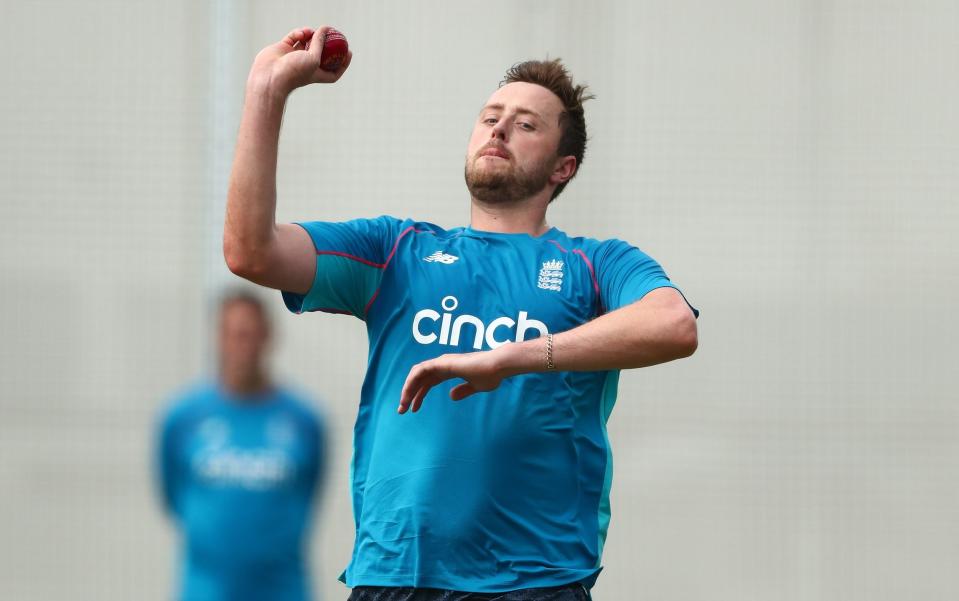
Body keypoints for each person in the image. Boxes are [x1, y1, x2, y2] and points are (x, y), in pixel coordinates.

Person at [224, 26, 698, 601]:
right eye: (490, 116)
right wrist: (266, 92)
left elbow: (674, 325)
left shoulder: (596, 264)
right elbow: (250, 252)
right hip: (393, 576)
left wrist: (514, 358)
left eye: (526, 124)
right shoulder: (396, 250)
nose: (499, 127)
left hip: (534, 582)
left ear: (562, 168)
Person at [156, 290, 326, 601]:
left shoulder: (303, 420)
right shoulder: (183, 417)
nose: (241, 346)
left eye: (249, 334)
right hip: (205, 590)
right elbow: (173, 496)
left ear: (268, 337)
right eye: (233, 334)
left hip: (282, 590)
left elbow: (310, 492)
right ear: (217, 338)